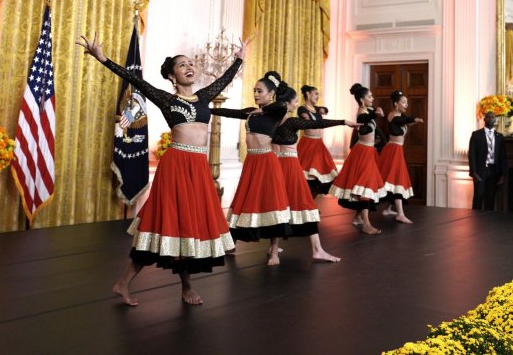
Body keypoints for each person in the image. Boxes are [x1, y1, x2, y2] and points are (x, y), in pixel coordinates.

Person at [77, 32, 245, 306]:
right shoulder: (167, 100)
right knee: (164, 223)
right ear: (171, 76)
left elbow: (223, 80)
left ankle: (184, 287)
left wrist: (239, 60)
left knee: (188, 227)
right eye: (182, 65)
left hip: (198, 168)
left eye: (191, 63)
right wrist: (102, 58)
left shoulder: (203, 98)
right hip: (176, 166)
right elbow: (135, 80)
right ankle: (124, 282)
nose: (189, 67)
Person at [211, 72, 292, 266]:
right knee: (244, 199)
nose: (255, 94)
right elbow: (230, 112)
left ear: (271, 93)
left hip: (267, 161)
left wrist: (262, 112)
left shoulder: (275, 111)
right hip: (252, 162)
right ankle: (232, 243)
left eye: (259, 91)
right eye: (254, 90)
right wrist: (208, 111)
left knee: (272, 202)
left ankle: (274, 251)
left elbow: (282, 105)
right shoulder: (251, 111)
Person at [273, 84, 358, 263]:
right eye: (295, 102)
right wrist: (343, 122)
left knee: (281, 206)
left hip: (276, 166)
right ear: (287, 104)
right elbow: (317, 123)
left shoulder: (270, 120)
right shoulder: (291, 122)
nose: (297, 105)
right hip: (289, 167)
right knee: (299, 205)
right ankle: (316, 250)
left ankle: (274, 251)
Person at [329, 83, 387, 235]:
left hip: (368, 152)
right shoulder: (361, 113)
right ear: (362, 100)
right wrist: (376, 113)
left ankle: (357, 218)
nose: (372, 98)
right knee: (365, 186)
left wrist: (378, 141)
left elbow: (372, 126)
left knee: (364, 186)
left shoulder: (368, 111)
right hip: (362, 153)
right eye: (369, 96)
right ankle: (366, 224)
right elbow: (366, 118)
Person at [379, 90, 424, 224]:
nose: (406, 105)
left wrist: (411, 122)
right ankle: (400, 214)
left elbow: (402, 122)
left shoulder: (399, 115)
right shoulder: (394, 115)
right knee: (396, 179)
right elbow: (400, 120)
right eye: (403, 102)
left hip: (396, 149)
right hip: (393, 150)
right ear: (395, 104)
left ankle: (388, 208)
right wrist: (413, 119)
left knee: (393, 180)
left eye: (407, 102)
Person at [297, 85, 339, 196]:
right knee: (307, 176)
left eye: (318, 94)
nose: (317, 96)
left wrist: (322, 110)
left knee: (318, 176)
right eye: (315, 93)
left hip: (318, 144)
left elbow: (325, 110)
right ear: (308, 94)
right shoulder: (302, 109)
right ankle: (306, 203)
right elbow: (307, 120)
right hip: (308, 144)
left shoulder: (317, 109)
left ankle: (311, 204)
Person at [468, 111, 508, 211]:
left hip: (494, 170)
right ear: (484, 119)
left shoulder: (500, 136)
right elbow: (471, 154)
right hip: (481, 170)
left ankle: (488, 221)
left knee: (490, 197)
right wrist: (473, 172)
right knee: (478, 195)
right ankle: (475, 220)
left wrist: (503, 174)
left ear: (495, 120)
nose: (490, 119)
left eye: (492, 117)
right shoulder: (476, 134)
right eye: (488, 117)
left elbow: (503, 156)